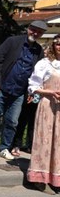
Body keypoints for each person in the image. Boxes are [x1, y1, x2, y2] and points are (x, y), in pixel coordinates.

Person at [0, 21, 46, 160]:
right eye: (34, 30)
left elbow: (37, 74)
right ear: (28, 29)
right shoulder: (12, 42)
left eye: (39, 32)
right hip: (2, 87)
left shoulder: (39, 50)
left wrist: (31, 92)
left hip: (20, 92)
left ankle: (4, 148)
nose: (35, 33)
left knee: (12, 122)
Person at [25, 36, 60, 188]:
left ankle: (56, 177)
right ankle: (39, 177)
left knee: (58, 142)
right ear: (53, 45)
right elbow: (33, 86)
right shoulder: (44, 63)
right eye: (58, 44)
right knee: (45, 140)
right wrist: (49, 92)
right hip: (47, 104)